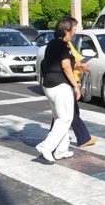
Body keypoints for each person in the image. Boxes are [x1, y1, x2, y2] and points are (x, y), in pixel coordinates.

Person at [35, 17, 81, 163]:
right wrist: (76, 85)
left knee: (59, 117)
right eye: (74, 27)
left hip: (49, 85)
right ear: (67, 29)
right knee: (65, 118)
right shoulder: (62, 45)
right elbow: (66, 66)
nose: (75, 30)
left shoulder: (52, 44)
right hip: (60, 85)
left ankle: (61, 150)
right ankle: (46, 146)